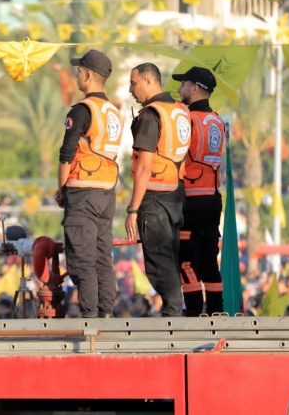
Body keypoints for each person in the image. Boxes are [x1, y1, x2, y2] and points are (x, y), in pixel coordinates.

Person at [54, 49, 124, 318]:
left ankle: (90, 318)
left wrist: (62, 189)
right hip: (107, 192)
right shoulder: (113, 112)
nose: (76, 75)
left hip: (82, 190)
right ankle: (106, 314)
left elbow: (66, 155)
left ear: (89, 75)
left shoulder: (84, 110)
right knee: (102, 257)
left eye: (79, 70)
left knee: (82, 260)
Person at [124, 63, 190, 316]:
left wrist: (133, 209)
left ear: (149, 82)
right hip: (175, 195)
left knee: (158, 264)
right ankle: (174, 312)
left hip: (154, 198)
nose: (131, 89)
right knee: (170, 259)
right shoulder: (179, 111)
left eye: (134, 83)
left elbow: (143, 168)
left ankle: (173, 315)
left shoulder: (150, 115)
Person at [173, 66, 225, 316]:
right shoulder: (217, 120)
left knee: (185, 261)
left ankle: (193, 311)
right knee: (208, 262)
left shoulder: (188, 119)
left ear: (194, 88)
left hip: (192, 200)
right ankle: (216, 310)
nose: (180, 88)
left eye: (183, 83)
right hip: (213, 199)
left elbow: (178, 155)